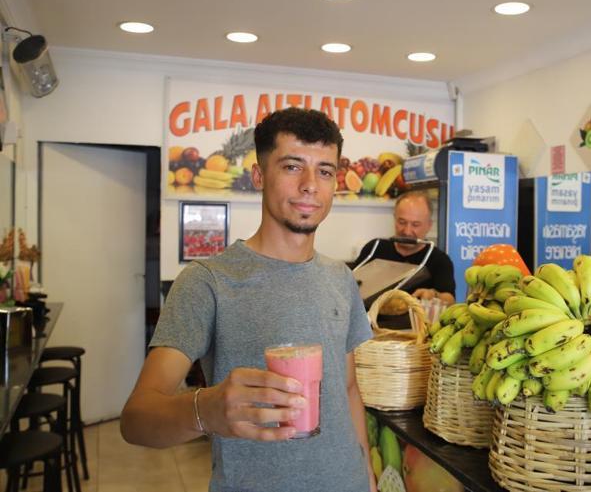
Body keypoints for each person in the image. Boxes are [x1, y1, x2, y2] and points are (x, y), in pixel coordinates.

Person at [121, 108, 376, 492]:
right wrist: (206, 409)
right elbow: (136, 420)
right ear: (259, 176)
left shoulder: (340, 277)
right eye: (292, 167)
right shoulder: (207, 282)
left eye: (324, 171)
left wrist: (368, 477)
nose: (310, 185)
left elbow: (348, 390)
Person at [352, 190, 456, 304]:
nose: (407, 231)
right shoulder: (374, 248)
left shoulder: (439, 260)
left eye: (415, 225)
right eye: (402, 222)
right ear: (394, 218)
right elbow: (351, 285)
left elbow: (450, 299)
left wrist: (434, 294)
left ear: (429, 225)